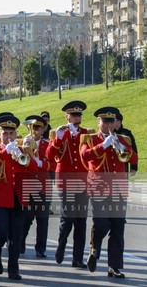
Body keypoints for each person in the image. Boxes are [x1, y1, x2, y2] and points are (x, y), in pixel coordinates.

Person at [0, 113, 45, 281]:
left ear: (15, 133)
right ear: (0, 134)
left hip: (18, 197)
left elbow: (34, 168)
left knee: (16, 235)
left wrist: (25, 154)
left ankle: (13, 269)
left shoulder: (20, 149)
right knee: (1, 232)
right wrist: (4, 152)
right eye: (5, 133)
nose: (9, 137)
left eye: (11, 133)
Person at [80, 107, 137, 279]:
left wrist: (121, 146)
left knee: (118, 229)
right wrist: (104, 145)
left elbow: (134, 159)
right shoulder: (89, 139)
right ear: (99, 123)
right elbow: (85, 156)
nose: (108, 124)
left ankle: (114, 266)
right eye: (105, 121)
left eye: (111, 121)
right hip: (98, 189)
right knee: (102, 225)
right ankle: (94, 248)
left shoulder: (123, 139)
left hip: (119, 190)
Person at [46, 100, 91, 268]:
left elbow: (88, 155)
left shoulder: (86, 134)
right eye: (73, 115)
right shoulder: (58, 133)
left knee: (81, 221)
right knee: (68, 218)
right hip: (65, 183)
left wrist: (76, 135)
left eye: (78, 115)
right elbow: (50, 156)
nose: (76, 118)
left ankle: (77, 258)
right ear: (67, 116)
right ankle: (61, 245)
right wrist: (59, 138)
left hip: (82, 183)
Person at [20, 115, 53, 258]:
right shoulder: (23, 143)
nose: (35, 131)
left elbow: (51, 164)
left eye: (38, 128)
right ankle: (19, 243)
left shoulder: (48, 144)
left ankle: (41, 248)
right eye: (33, 128)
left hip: (43, 187)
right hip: (28, 186)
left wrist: (38, 162)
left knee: (43, 220)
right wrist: (23, 148)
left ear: (43, 129)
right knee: (26, 218)